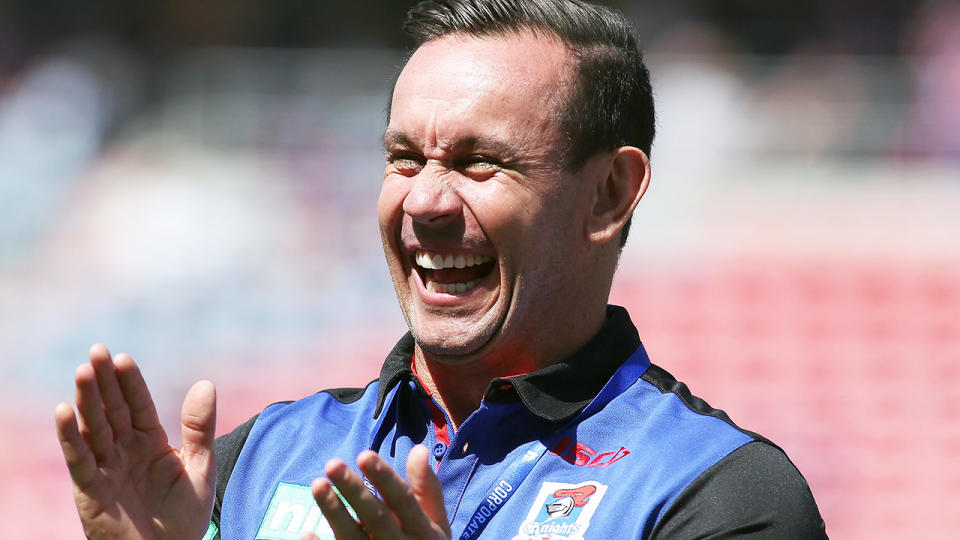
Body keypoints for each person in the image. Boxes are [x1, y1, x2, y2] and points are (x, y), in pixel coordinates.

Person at [54, 1, 828, 538]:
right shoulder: (258, 459)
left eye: (477, 161)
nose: (423, 200)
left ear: (609, 194)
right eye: (402, 158)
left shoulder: (720, 494)